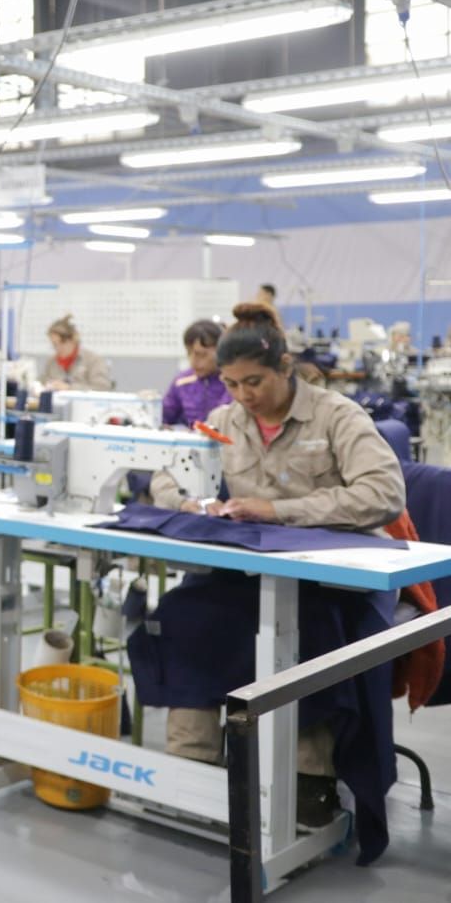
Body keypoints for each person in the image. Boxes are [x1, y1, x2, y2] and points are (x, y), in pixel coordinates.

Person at [148, 303, 405, 828]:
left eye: (254, 382)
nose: (243, 396)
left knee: (307, 634)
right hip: (257, 573)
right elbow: (165, 474)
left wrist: (279, 510)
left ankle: (306, 779)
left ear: (285, 367)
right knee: (184, 613)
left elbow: (384, 494)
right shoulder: (223, 421)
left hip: (337, 578)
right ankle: (190, 759)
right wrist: (190, 503)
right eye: (231, 383)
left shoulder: (337, 415)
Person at [161, 319, 229, 428]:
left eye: (201, 354)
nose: (193, 361)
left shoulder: (231, 382)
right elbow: (164, 417)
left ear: (220, 351)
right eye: (189, 353)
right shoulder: (182, 381)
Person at [41, 315, 114, 391]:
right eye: (54, 344)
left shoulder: (93, 360)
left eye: (62, 343)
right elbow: (44, 384)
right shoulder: (51, 362)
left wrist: (69, 388)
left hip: (84, 402)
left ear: (73, 339)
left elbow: (102, 388)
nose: (58, 348)